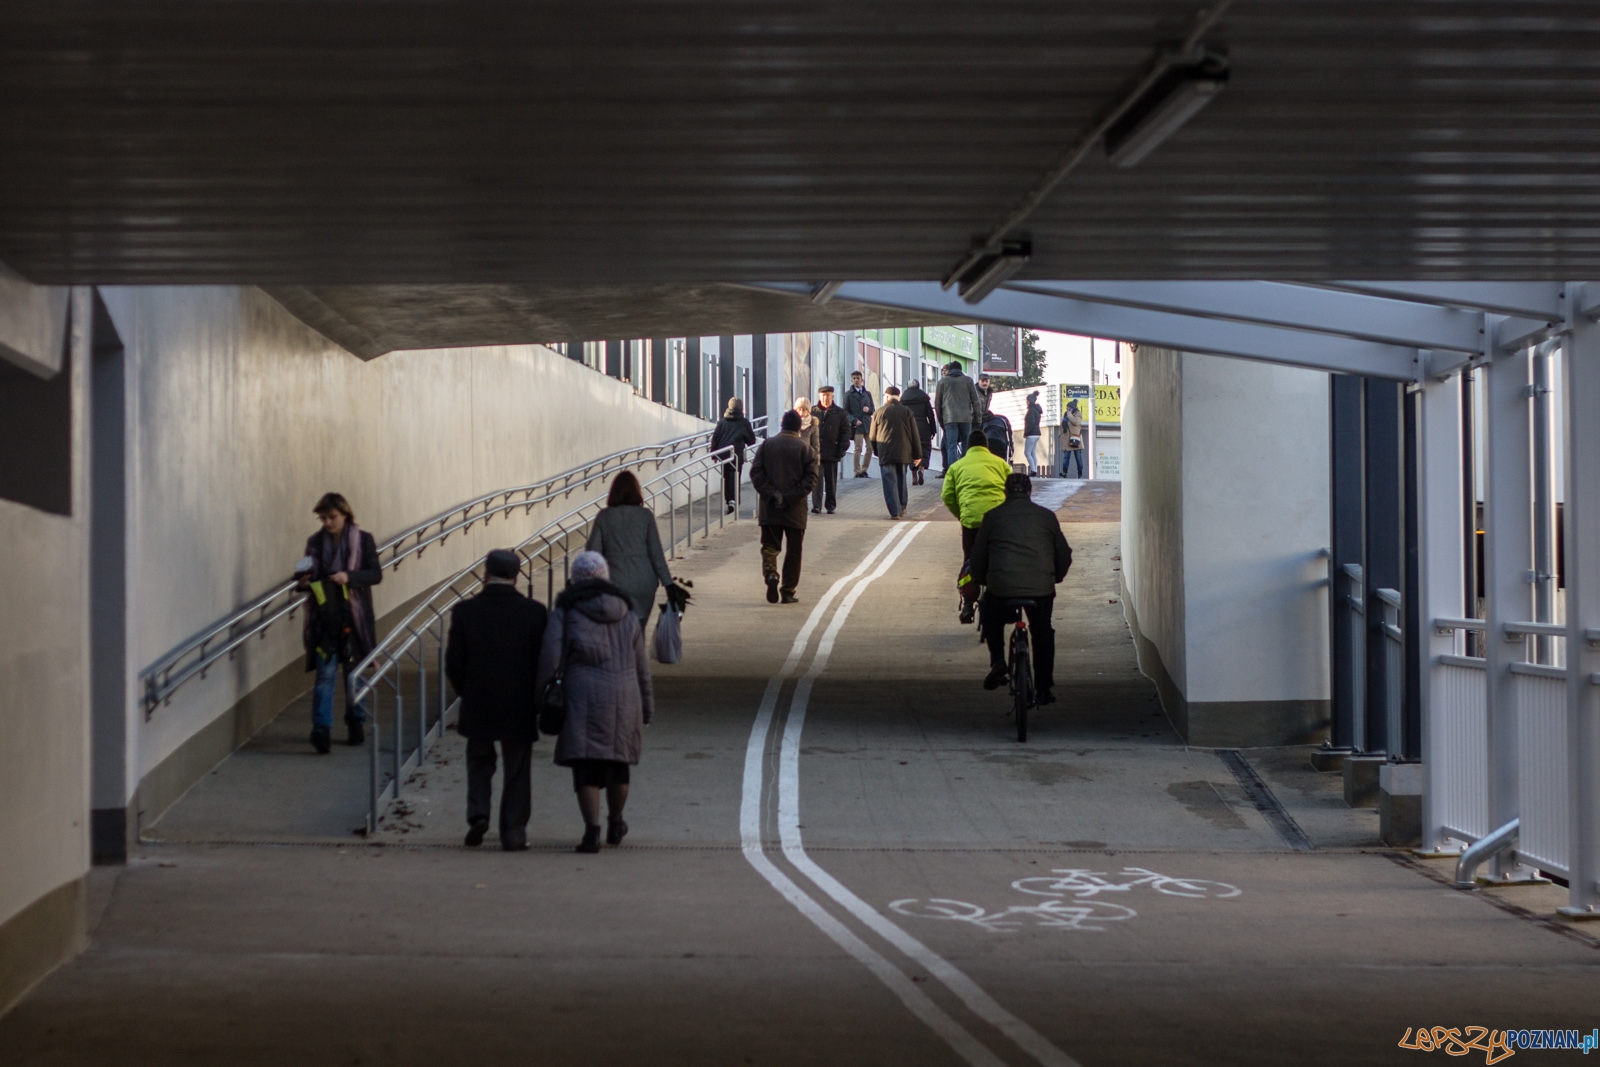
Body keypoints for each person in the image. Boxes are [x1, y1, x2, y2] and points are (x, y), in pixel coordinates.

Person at [536, 551, 654, 854]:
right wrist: (647, 705)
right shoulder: (627, 613)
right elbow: (642, 665)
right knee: (618, 764)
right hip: (624, 696)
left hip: (582, 695)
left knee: (586, 765)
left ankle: (591, 831)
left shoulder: (566, 611)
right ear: (605, 577)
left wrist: (541, 694)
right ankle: (616, 822)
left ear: (576, 579)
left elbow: (550, 657)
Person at [445, 549, 548, 851]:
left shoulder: (465, 612)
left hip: (479, 701)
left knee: (479, 760)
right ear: (516, 577)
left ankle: (478, 814)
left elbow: (454, 663)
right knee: (517, 769)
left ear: (485, 574)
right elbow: (543, 660)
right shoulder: (535, 612)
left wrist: (467, 691)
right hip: (519, 703)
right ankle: (513, 832)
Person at [969, 473, 1073, 705]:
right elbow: (1064, 554)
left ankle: (998, 662)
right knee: (1042, 631)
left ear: (1005, 492)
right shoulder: (1046, 517)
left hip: (1002, 587)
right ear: (1029, 492)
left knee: (990, 615)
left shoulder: (992, 517)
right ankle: (1044, 687)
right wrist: (1054, 578)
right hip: (1041, 588)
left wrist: (981, 578)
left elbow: (977, 557)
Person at [297, 492, 381, 754]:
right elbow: (304, 572)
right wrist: (301, 581)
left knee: (353, 675)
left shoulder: (363, 540)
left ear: (345, 514)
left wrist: (349, 576)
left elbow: (375, 574)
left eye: (332, 517)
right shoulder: (314, 542)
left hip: (354, 618)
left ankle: (356, 722)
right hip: (325, 618)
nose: (328, 523)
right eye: (323, 518)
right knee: (326, 674)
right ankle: (321, 729)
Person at [585, 470, 673, 624]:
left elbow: (593, 554)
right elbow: (656, 553)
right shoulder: (645, 516)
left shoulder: (604, 517)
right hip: (644, 584)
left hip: (614, 584)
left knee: (615, 635)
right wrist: (669, 584)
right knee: (638, 633)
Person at [748, 409, 817, 604]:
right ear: (799, 427)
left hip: (770, 508)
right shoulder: (805, 449)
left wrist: (772, 495)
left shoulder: (767, 445)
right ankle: (788, 590)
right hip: (795, 510)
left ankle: (771, 574)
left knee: (770, 546)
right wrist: (789, 497)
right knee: (794, 551)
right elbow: (811, 478)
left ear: (782, 423)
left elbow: (755, 473)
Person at [941, 429, 1012, 563]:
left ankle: (970, 575)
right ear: (986, 446)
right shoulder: (1001, 464)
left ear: (968, 447)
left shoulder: (956, 467)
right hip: (996, 518)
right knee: (999, 557)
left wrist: (961, 513)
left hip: (971, 517)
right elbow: (1012, 490)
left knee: (970, 557)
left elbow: (947, 495)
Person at [868, 385, 922, 520]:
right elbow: (915, 435)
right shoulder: (907, 411)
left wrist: (877, 451)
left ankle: (894, 511)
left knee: (889, 482)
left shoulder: (878, 413)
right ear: (899, 398)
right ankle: (902, 506)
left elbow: (872, 437)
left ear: (887, 397)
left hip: (886, 453)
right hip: (904, 453)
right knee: (901, 480)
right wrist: (918, 455)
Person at [934, 361, 983, 474]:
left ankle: (953, 472)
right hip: (966, 418)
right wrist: (978, 419)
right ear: (961, 370)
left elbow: (937, 404)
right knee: (966, 443)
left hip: (949, 419)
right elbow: (976, 402)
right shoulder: (968, 381)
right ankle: (965, 470)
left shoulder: (942, 381)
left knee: (951, 446)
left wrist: (942, 422)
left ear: (950, 370)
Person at [712, 397, 758, 514]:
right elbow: (751, 440)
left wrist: (714, 454)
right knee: (735, 478)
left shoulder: (722, 422)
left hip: (723, 454)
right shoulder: (744, 422)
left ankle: (729, 501)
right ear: (741, 408)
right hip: (736, 455)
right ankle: (734, 501)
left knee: (726, 478)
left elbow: (715, 437)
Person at [813, 385, 851, 514]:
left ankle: (830, 505)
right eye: (824, 396)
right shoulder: (813, 412)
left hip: (832, 452)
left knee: (831, 481)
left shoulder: (840, 413)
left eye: (828, 395)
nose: (826, 398)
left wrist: (842, 448)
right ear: (819, 396)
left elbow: (846, 432)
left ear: (832, 397)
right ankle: (816, 506)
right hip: (816, 453)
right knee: (816, 481)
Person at [901, 378, 938, 485]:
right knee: (924, 448)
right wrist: (933, 429)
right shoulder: (923, 398)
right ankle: (921, 468)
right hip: (923, 427)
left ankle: (914, 476)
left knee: (911, 450)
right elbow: (930, 415)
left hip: (909, 428)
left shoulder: (903, 399)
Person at [842, 370, 875, 478]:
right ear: (852, 380)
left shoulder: (867, 394)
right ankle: (857, 471)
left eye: (858, 378)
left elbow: (873, 410)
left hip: (867, 424)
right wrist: (854, 420)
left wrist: (868, 409)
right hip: (857, 425)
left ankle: (864, 469)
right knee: (858, 448)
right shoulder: (848, 394)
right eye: (854, 378)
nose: (856, 380)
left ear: (862, 380)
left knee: (870, 447)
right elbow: (845, 411)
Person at [795, 397, 823, 513]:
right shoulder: (793, 423)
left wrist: (815, 460)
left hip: (807, 459)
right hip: (794, 459)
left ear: (808, 411)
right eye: (799, 409)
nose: (801, 413)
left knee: (807, 484)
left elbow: (815, 445)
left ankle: (814, 505)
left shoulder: (813, 425)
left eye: (804, 410)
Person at [1061, 399, 1085, 478]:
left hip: (1075, 439)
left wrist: (1069, 415)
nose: (1067, 409)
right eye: (1066, 408)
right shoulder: (1066, 414)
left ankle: (1080, 473)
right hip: (1066, 439)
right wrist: (1060, 435)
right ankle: (1064, 472)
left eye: (1069, 408)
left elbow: (1076, 422)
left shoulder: (1078, 413)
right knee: (1066, 457)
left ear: (1072, 407)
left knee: (1078, 458)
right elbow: (1062, 425)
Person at [1023, 391, 1043, 476]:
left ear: (1030, 401)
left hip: (1031, 434)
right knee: (1033, 452)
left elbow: (1030, 423)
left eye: (1027, 400)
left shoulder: (1031, 411)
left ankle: (1033, 470)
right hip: (1037, 433)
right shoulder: (1037, 410)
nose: (1026, 402)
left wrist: (1026, 433)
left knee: (1027, 452)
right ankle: (1034, 470)